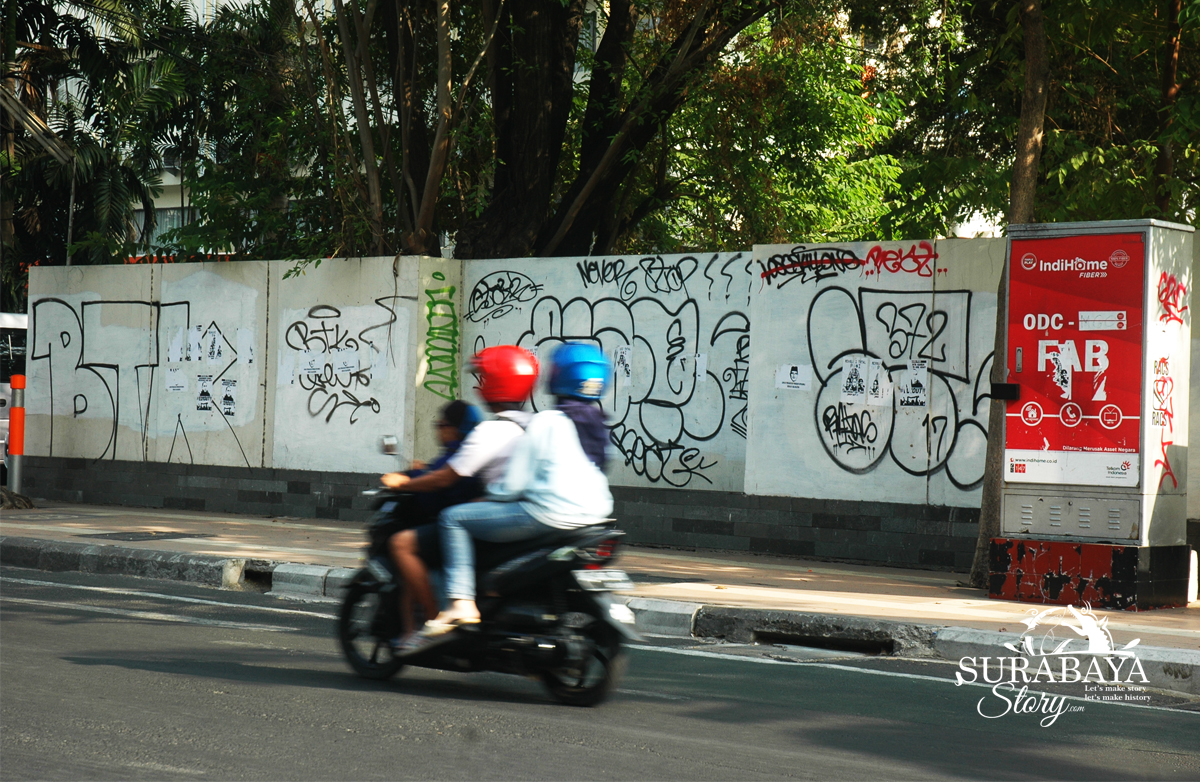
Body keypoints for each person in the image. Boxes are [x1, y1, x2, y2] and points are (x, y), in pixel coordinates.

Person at [419, 342, 613, 638]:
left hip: (548, 513)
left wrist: (492, 495)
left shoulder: (549, 420)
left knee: (453, 518)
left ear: (556, 376)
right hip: (595, 518)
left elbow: (514, 483)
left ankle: (461, 602)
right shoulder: (599, 423)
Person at [383, 346, 538, 636]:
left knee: (417, 536)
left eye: (483, 377)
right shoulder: (537, 425)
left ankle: (439, 615)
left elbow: (446, 477)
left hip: (504, 516)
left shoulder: (493, 431)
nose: (479, 384)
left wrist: (404, 482)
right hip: (529, 515)